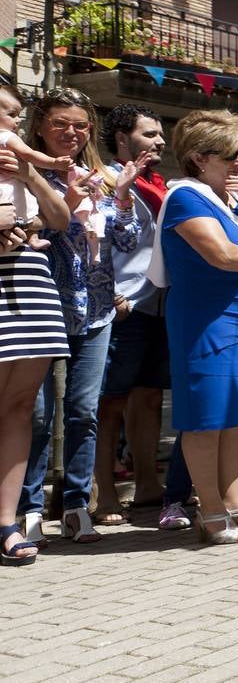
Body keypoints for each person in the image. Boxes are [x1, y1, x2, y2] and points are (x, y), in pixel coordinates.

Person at [150, 109, 238, 544]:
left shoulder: (233, 201)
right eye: (229, 155)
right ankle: (210, 512)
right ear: (198, 158)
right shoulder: (185, 197)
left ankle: (234, 505)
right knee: (205, 419)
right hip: (204, 319)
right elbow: (225, 257)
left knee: (235, 417)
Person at [21, 88, 142, 544]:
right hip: (40, 307)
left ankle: (75, 507)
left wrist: (125, 198)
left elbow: (127, 244)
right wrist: (66, 204)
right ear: (39, 127)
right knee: (34, 416)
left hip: (94, 311)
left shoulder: (106, 177)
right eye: (59, 124)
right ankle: (28, 507)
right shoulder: (26, 173)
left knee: (83, 412)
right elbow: (24, 229)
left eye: (80, 125)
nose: (71, 133)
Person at [94, 104, 171, 521]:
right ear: (122, 140)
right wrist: (110, 296)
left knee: (150, 397)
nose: (160, 141)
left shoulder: (159, 185)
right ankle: (103, 493)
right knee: (109, 403)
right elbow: (94, 238)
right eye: (149, 134)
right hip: (122, 305)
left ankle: (146, 484)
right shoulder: (103, 179)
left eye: (160, 134)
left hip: (158, 303)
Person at [0, 129, 71, 564]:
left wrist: (30, 173)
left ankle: (6, 521)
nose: (10, 122)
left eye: (13, 113)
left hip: (31, 286)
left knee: (21, 406)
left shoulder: (21, 167)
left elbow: (60, 219)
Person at [0, 87, 71, 249]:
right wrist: (54, 162)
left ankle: (31, 237)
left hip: (26, 263)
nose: (18, 120)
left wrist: (30, 174)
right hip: (9, 193)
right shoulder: (7, 136)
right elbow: (29, 154)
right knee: (26, 207)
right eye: (12, 115)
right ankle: (32, 237)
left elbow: (59, 221)